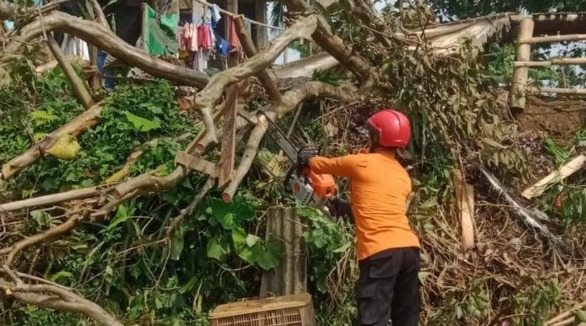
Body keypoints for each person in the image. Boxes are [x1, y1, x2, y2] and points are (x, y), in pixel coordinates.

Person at [298, 109, 421, 326]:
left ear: (376, 137)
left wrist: (308, 159)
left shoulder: (362, 163)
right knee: (406, 319)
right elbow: (379, 211)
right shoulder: (403, 176)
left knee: (373, 319)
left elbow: (325, 165)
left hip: (380, 252)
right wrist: (345, 208)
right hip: (409, 250)